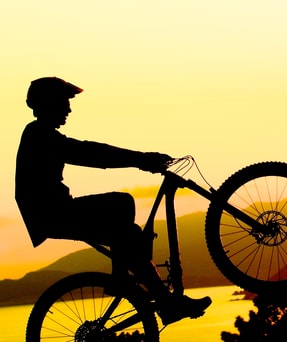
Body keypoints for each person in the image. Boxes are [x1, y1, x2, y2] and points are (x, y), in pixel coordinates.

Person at [15, 76, 211, 325]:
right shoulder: (40, 136)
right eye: (65, 102)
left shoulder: (40, 134)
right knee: (122, 203)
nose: (69, 109)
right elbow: (90, 153)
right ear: (49, 103)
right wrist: (141, 159)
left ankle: (163, 300)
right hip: (53, 214)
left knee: (130, 234)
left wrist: (141, 160)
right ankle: (126, 284)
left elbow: (90, 152)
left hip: (53, 213)